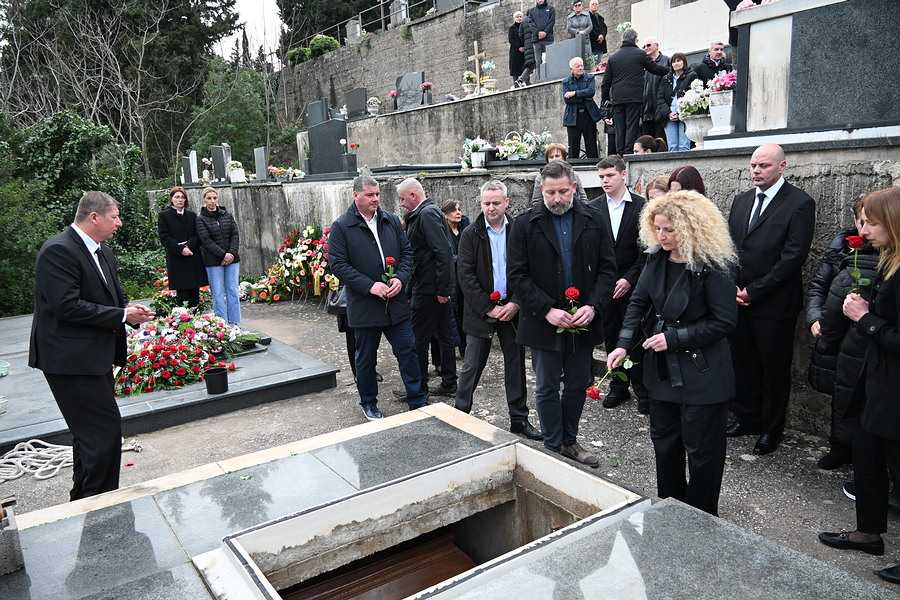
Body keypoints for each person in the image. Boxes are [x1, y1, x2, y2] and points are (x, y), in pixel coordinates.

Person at [608, 190, 738, 516]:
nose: (662, 236)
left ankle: (702, 517)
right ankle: (670, 511)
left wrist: (674, 338)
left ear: (691, 228)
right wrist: (622, 344)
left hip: (704, 374)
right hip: (662, 373)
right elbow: (637, 304)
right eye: (658, 229)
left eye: (669, 229)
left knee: (703, 452)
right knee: (665, 445)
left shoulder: (715, 265)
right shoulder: (655, 259)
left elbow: (724, 322)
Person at [29, 191, 154, 500]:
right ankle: (100, 506)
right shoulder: (58, 251)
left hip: (94, 357)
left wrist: (129, 312)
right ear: (94, 217)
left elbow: (112, 297)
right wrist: (121, 315)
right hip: (69, 361)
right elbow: (66, 307)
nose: (119, 223)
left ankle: (85, 501)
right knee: (102, 435)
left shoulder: (103, 251)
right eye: (114, 217)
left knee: (92, 435)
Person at [508, 160, 617, 466]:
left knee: (577, 384)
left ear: (574, 187)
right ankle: (552, 445)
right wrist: (546, 309)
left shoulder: (594, 219)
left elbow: (608, 269)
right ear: (541, 190)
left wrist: (592, 306)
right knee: (545, 386)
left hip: (582, 320)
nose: (556, 199)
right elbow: (517, 275)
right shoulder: (524, 224)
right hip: (543, 322)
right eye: (550, 192)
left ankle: (569, 441)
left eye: (563, 192)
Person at [818, 187, 900, 586]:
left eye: (871, 223)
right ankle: (868, 533)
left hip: (895, 390)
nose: (862, 230)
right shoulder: (888, 261)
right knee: (866, 456)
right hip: (876, 383)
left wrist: (865, 318)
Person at [727, 144, 816, 455]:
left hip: (774, 304)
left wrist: (754, 291)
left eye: (763, 165)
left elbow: (793, 257)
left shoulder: (800, 203)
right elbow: (731, 247)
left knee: (774, 369)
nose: (756, 170)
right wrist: (732, 287)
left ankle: (770, 429)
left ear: (782, 166)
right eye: (753, 165)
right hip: (738, 300)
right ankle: (746, 417)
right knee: (743, 362)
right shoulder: (740, 201)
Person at [328, 176, 428, 420]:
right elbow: (338, 264)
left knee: (408, 351)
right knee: (366, 359)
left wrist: (400, 279)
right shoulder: (342, 226)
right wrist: (370, 286)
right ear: (356, 195)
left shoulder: (390, 220)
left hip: (395, 303)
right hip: (365, 305)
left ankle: (417, 399)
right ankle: (369, 402)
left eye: (377, 194)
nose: (375, 199)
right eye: (370, 195)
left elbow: (407, 253)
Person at [454, 181, 543, 441]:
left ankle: (519, 419)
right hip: (481, 311)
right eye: (486, 203)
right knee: (471, 365)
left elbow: (529, 270)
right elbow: (466, 277)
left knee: (516, 365)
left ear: (507, 203)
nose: (491, 208)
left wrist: (516, 303)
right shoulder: (470, 234)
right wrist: (488, 308)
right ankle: (459, 414)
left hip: (513, 310)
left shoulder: (518, 231)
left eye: (496, 203)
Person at [806, 196, 875, 469]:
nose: (864, 230)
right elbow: (818, 286)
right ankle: (840, 446)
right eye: (861, 221)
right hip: (836, 335)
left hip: (866, 338)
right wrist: (815, 317)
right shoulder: (841, 246)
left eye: (871, 222)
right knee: (841, 393)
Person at [590, 156, 649, 412]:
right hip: (606, 287)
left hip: (634, 285)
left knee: (636, 337)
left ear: (623, 174)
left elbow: (646, 251)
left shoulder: (641, 206)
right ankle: (618, 386)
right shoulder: (593, 208)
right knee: (612, 335)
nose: (605, 181)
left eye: (610, 175)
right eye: (601, 177)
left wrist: (629, 278)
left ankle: (642, 389)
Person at [399, 178, 458, 396]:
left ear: (413, 195)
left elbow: (443, 252)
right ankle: (448, 383)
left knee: (419, 339)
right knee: (444, 335)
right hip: (430, 286)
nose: (401, 204)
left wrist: (443, 290)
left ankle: (419, 387)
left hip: (429, 289)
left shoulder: (426, 214)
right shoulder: (424, 214)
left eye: (403, 199)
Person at [601, 29, 669, 156]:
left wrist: (605, 99)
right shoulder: (640, 54)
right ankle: (628, 153)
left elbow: (606, 82)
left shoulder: (613, 57)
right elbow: (655, 69)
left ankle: (620, 153)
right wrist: (669, 70)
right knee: (632, 126)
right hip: (634, 98)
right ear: (635, 39)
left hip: (617, 99)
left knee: (619, 128)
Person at [195, 187, 241, 324]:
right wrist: (223, 255)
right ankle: (222, 325)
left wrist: (231, 253)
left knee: (233, 291)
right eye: (209, 198)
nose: (212, 201)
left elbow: (235, 234)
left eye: (214, 198)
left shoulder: (227, 215)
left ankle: (235, 323)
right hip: (213, 262)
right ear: (204, 200)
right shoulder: (200, 219)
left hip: (232, 260)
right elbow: (206, 240)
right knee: (218, 293)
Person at [157, 186, 207, 308]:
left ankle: (196, 316)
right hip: (176, 258)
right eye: (177, 197)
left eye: (182, 197)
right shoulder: (164, 216)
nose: (180, 200)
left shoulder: (192, 215)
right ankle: (184, 318)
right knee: (182, 296)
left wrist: (188, 246)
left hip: (192, 256)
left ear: (185, 200)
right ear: (172, 199)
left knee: (194, 295)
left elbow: (197, 235)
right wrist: (181, 249)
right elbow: (164, 237)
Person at [442, 199, 469, 359]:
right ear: (446, 214)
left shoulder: (465, 227)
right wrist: (461, 259)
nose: (458, 213)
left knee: (466, 311)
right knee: (453, 312)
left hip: (465, 276)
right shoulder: (443, 231)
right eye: (453, 210)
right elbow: (445, 256)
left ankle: (466, 349)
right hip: (452, 278)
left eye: (459, 209)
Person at [562, 57, 603, 159]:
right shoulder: (566, 81)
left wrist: (574, 93)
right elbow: (567, 100)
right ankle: (573, 166)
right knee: (573, 146)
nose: (581, 68)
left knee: (591, 145)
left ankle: (594, 165)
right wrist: (584, 97)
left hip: (588, 115)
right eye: (578, 66)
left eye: (582, 65)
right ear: (571, 69)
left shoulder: (590, 78)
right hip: (573, 117)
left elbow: (591, 92)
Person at [656, 52, 696, 152]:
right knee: (672, 146)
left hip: (684, 114)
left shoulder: (692, 76)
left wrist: (680, 113)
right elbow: (660, 98)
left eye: (678, 61)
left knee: (684, 146)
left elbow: (693, 96)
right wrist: (668, 113)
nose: (676, 63)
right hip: (669, 115)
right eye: (673, 62)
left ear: (684, 62)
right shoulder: (666, 78)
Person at [640, 37, 670, 140]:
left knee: (661, 142)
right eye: (644, 46)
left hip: (661, 109)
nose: (646, 48)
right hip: (646, 111)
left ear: (657, 46)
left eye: (648, 45)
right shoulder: (642, 64)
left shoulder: (666, 60)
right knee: (647, 143)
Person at [526, 0, 555, 70]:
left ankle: (550, 76)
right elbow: (531, 23)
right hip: (537, 40)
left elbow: (552, 21)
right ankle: (539, 76)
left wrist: (545, 32)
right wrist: (538, 32)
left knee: (550, 59)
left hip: (548, 39)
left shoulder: (551, 9)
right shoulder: (531, 11)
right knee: (538, 61)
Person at [508, 12, 526, 86]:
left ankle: (526, 83)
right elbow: (511, 39)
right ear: (514, 18)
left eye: (520, 16)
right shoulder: (512, 28)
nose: (519, 18)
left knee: (525, 68)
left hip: (524, 51)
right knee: (515, 70)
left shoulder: (525, 27)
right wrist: (519, 47)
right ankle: (516, 85)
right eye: (517, 17)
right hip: (515, 51)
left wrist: (524, 47)